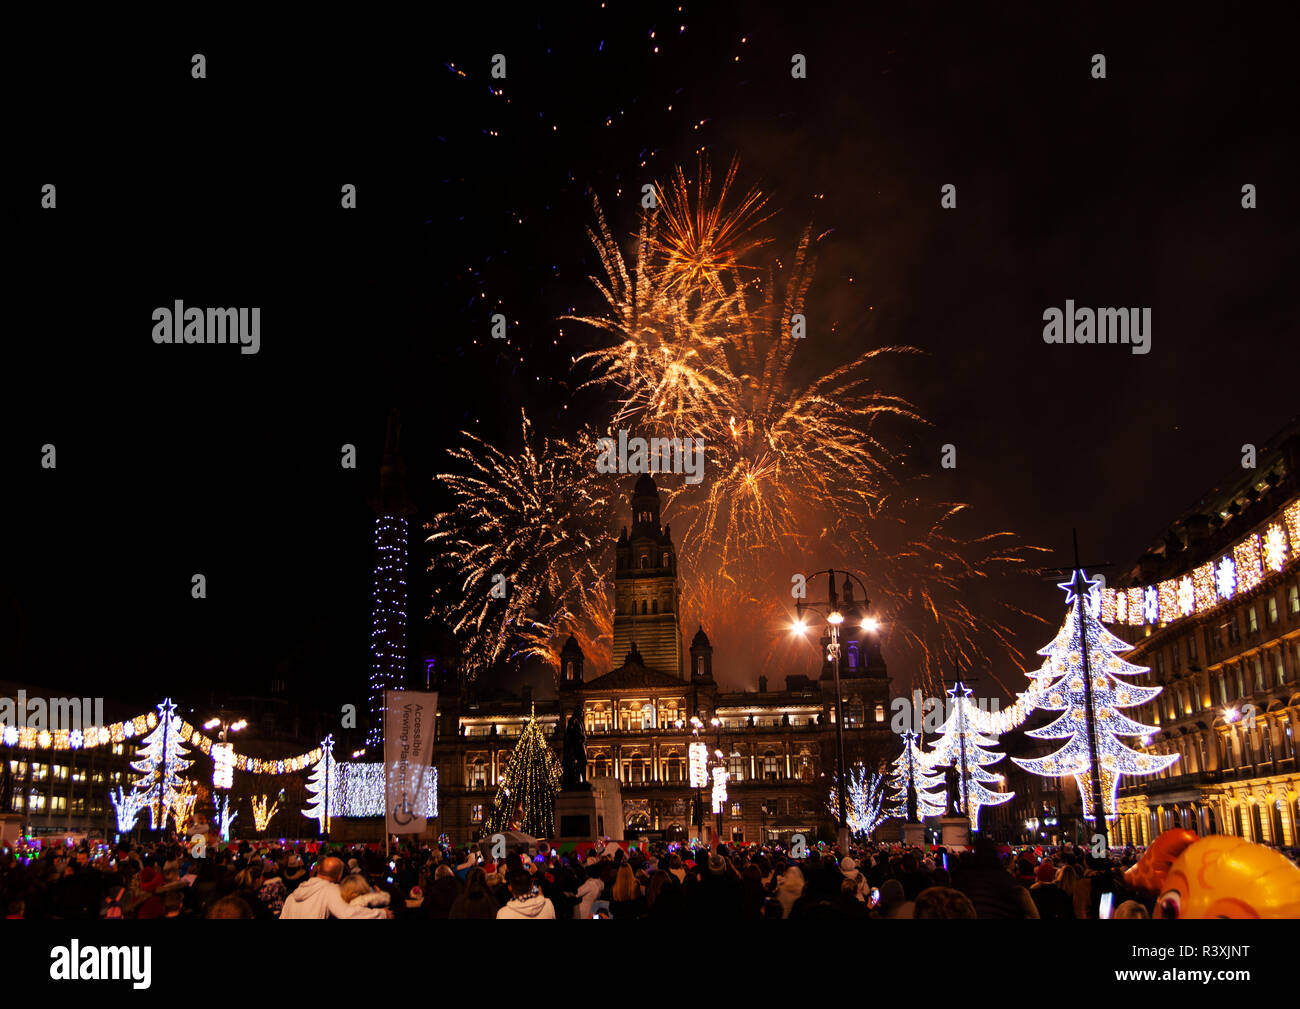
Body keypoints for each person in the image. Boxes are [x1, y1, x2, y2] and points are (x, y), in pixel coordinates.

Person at [279, 857, 387, 919]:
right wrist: (383, 914)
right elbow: (348, 913)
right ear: (339, 876)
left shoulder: (292, 896)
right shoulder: (330, 890)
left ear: (319, 869)